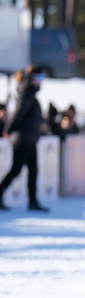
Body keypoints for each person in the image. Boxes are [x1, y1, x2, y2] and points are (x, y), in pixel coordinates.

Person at [0, 68, 48, 212]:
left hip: (30, 138)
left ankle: (33, 200)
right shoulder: (26, 92)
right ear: (31, 79)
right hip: (22, 138)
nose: (40, 82)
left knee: (33, 170)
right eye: (38, 78)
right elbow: (18, 113)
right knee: (16, 170)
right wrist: (7, 130)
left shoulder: (31, 94)